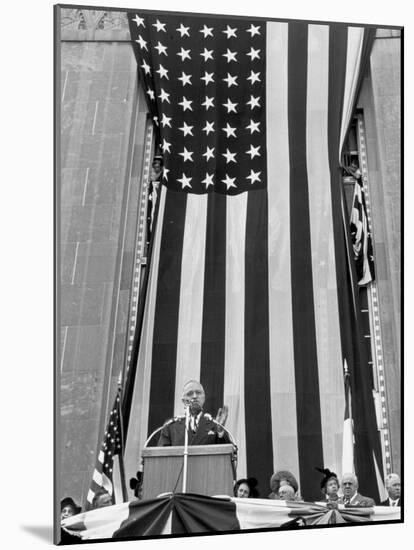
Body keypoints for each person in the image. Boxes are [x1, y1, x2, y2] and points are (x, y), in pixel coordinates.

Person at [158, 380, 230, 446]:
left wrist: (220, 432)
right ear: (184, 401)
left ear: (204, 398)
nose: (195, 396)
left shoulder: (215, 424)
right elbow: (161, 455)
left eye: (198, 393)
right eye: (190, 394)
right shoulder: (170, 425)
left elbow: (227, 452)